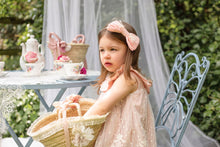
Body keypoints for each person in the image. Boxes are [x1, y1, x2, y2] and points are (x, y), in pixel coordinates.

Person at [84, 20, 157, 147]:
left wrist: (78, 123)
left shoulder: (128, 79)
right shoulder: (117, 76)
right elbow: (106, 102)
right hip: (115, 132)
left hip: (127, 139)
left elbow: (102, 107)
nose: (106, 55)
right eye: (102, 50)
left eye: (113, 49)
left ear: (129, 52)